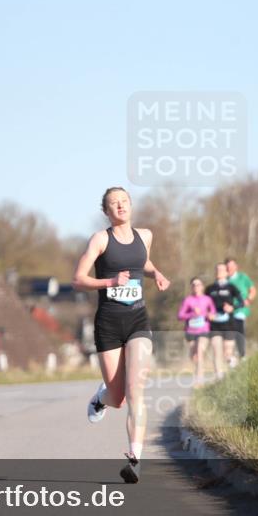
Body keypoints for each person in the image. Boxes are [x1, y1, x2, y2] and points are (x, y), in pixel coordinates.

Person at [73, 187, 171, 483]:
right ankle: (100, 398)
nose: (121, 207)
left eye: (124, 202)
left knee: (135, 392)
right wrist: (110, 281)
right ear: (106, 211)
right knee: (117, 398)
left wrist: (157, 274)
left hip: (138, 320)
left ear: (131, 205)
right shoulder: (101, 240)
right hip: (108, 323)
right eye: (114, 204)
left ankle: (135, 459)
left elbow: (143, 262)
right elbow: (78, 280)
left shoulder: (146, 236)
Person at [205, 262, 243, 378]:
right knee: (216, 351)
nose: (219, 272)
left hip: (229, 324)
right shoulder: (209, 289)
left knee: (227, 353)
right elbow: (204, 304)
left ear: (226, 272)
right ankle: (219, 377)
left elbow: (241, 302)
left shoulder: (232, 287)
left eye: (221, 270)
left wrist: (232, 308)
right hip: (214, 325)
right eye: (217, 270)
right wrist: (208, 313)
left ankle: (233, 366)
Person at [177, 278, 215, 387]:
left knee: (200, 352)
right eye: (194, 285)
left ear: (202, 287)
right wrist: (192, 314)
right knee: (194, 356)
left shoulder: (207, 299)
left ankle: (199, 380)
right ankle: (198, 371)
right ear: (191, 287)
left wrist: (209, 315)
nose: (196, 287)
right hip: (190, 331)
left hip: (204, 330)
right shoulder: (188, 300)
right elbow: (180, 316)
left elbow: (213, 312)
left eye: (198, 285)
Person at [225, 257, 255, 361]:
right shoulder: (224, 280)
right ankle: (231, 355)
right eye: (228, 267)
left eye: (232, 266)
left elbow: (253, 290)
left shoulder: (243, 277)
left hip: (240, 309)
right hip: (227, 310)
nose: (230, 269)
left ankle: (242, 354)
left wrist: (248, 300)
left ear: (236, 267)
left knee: (238, 327)